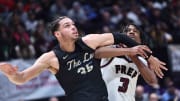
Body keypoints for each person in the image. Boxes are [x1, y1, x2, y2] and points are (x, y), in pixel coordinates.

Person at [0, 16, 166, 101]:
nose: (73, 27)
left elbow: (119, 37)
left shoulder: (89, 42)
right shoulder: (51, 58)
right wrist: (10, 74)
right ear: (57, 34)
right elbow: (22, 78)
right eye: (67, 26)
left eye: (73, 24)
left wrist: (150, 57)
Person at [95, 24, 164, 101]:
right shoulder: (113, 49)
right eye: (128, 31)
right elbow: (97, 53)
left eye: (135, 31)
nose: (131, 32)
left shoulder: (140, 60)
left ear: (140, 41)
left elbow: (152, 81)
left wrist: (133, 56)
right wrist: (129, 51)